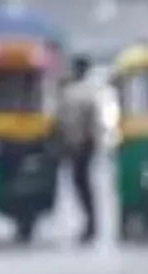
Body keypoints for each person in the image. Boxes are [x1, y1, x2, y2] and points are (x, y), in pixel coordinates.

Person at [59, 54, 100, 244]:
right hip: (80, 145)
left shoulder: (77, 92)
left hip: (79, 146)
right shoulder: (86, 91)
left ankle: (90, 225)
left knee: (82, 186)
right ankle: (90, 224)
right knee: (82, 186)